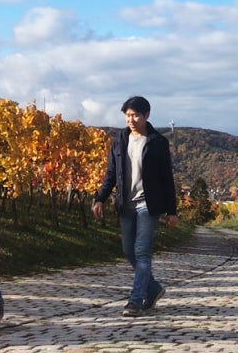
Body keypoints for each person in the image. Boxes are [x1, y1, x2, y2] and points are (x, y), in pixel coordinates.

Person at [92, 95, 178, 317]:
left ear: (146, 115)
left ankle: (135, 300)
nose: (131, 119)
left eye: (135, 115)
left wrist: (172, 211)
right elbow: (111, 174)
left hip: (148, 204)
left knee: (141, 252)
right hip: (125, 203)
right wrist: (100, 198)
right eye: (127, 115)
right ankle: (154, 289)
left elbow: (167, 178)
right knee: (128, 251)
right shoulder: (120, 140)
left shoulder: (158, 142)